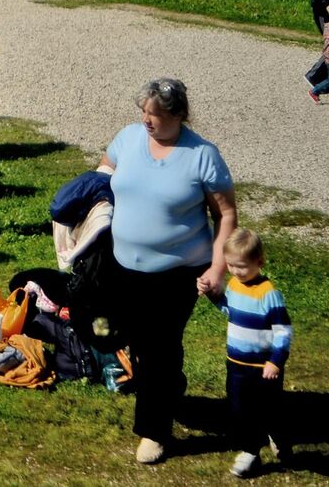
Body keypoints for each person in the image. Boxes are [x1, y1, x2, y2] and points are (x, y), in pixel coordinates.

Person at [100, 77, 238, 465]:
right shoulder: (128, 138)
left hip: (179, 272)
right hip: (123, 265)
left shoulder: (202, 156)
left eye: (155, 115)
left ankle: (153, 432)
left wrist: (217, 268)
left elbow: (225, 214)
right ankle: (170, 387)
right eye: (143, 112)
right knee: (138, 342)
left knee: (159, 348)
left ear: (178, 115)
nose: (146, 120)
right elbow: (107, 167)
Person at [210, 228, 291, 478]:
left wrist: (276, 362)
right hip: (236, 364)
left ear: (260, 262)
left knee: (268, 410)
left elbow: (283, 331)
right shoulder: (235, 285)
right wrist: (213, 297)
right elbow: (230, 311)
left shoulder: (269, 294)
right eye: (231, 266)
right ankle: (251, 452)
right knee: (240, 410)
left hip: (263, 368)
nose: (235, 271)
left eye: (242, 266)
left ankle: (279, 437)